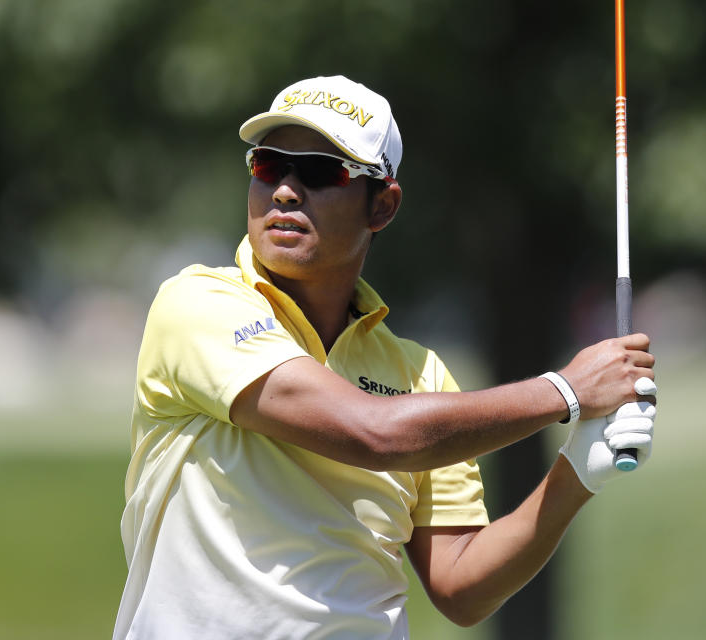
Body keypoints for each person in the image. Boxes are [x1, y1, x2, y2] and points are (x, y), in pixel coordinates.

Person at [113, 75, 657, 640]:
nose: (284, 191)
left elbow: (461, 586)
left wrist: (575, 474)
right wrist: (565, 392)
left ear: (383, 206)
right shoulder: (197, 303)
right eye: (268, 167)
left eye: (321, 171)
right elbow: (375, 434)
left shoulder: (421, 377)